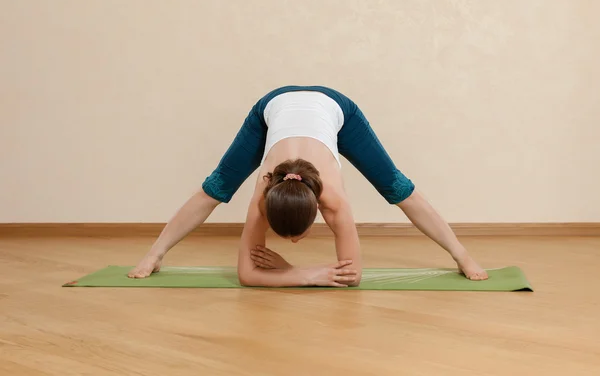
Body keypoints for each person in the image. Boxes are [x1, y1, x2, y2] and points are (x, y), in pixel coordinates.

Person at [127, 85, 488, 286]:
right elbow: (246, 275)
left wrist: (284, 273)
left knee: (397, 187)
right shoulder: (262, 195)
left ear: (317, 208)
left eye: (298, 236)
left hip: (336, 110)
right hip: (272, 107)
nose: (297, 243)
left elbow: (354, 276)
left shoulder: (334, 200)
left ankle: (461, 254)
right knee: (216, 187)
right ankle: (155, 253)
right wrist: (301, 273)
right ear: (270, 204)